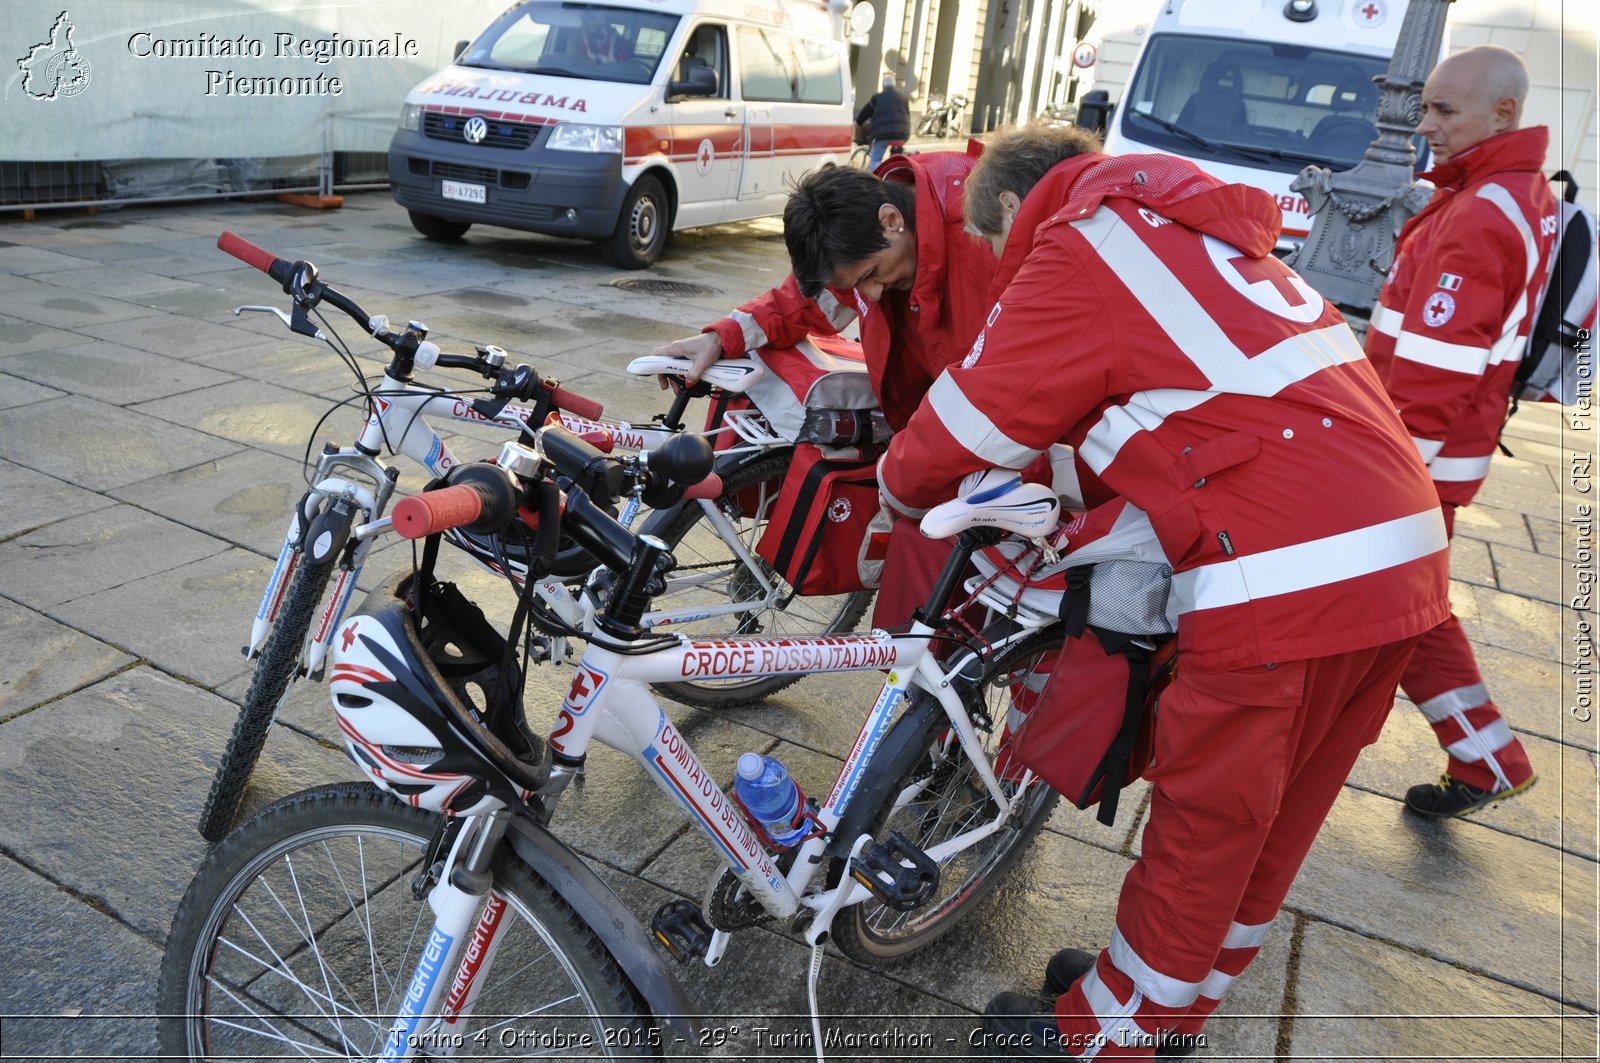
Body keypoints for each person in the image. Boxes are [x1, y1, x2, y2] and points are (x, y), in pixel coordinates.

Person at [878, 121, 1451, 1058]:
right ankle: (1168, 1007)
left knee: (1207, 822)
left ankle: (1109, 1039)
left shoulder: (1083, 241)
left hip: (1285, 571)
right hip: (1398, 552)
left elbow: (972, 416)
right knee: (1273, 818)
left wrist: (896, 492)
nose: (996, 261)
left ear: (1018, 210)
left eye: (991, 243)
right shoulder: (1195, 234)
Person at [650, 144, 1048, 627]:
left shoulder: (981, 239)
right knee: (922, 585)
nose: (872, 294)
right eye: (860, 283)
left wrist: (910, 473)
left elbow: (1023, 380)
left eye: (875, 275)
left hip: (1014, 429)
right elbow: (810, 300)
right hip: (943, 416)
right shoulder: (870, 229)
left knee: (992, 592)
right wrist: (722, 337)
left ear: (891, 220)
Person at [1364, 45, 1554, 818]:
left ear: (1502, 113)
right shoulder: (1512, 193)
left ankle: (1488, 759)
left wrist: (1385, 472)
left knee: (1399, 609)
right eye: (1425, 107)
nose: (1425, 125)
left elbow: (1434, 374)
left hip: (1415, 459)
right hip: (1438, 458)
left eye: (1444, 110)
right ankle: (1487, 760)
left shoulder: (1478, 212)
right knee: (1412, 609)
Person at [856, 73, 911, 170]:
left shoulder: (877, 98)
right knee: (895, 156)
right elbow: (907, 115)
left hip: (883, 134)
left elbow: (865, 112)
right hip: (902, 134)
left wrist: (859, 122)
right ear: (894, 85)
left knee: (875, 160)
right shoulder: (904, 97)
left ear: (883, 85)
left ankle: (874, 180)